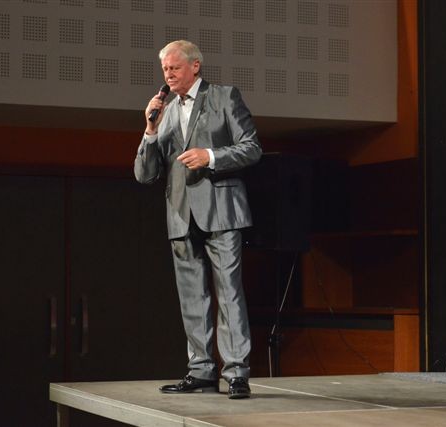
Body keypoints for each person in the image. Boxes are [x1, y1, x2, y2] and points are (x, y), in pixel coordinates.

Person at [134, 40, 261, 399]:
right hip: (181, 214)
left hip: (221, 211)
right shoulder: (165, 111)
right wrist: (150, 130)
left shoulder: (224, 97)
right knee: (192, 297)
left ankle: (236, 373)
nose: (168, 75)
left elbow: (252, 148)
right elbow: (145, 174)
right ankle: (201, 371)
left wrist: (210, 156)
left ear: (195, 66)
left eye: (175, 68)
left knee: (229, 293)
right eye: (165, 69)